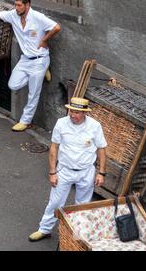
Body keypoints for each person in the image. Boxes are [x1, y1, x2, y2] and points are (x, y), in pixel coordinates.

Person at [28, 97, 107, 242]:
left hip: (86, 171)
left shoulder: (95, 126)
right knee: (56, 202)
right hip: (64, 170)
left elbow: (101, 149)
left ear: (85, 113)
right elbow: (54, 147)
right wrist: (52, 172)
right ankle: (44, 229)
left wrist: (101, 172)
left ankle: (77, 235)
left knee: (82, 205)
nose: (73, 115)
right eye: (71, 111)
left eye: (77, 112)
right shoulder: (61, 123)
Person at [0, 0, 61, 132]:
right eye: (15, 4)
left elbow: (56, 27)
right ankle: (43, 72)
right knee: (13, 84)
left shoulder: (38, 17)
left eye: (19, 5)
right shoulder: (14, 15)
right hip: (25, 59)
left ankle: (25, 121)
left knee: (33, 93)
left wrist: (44, 40)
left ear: (27, 5)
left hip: (39, 60)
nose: (16, 8)